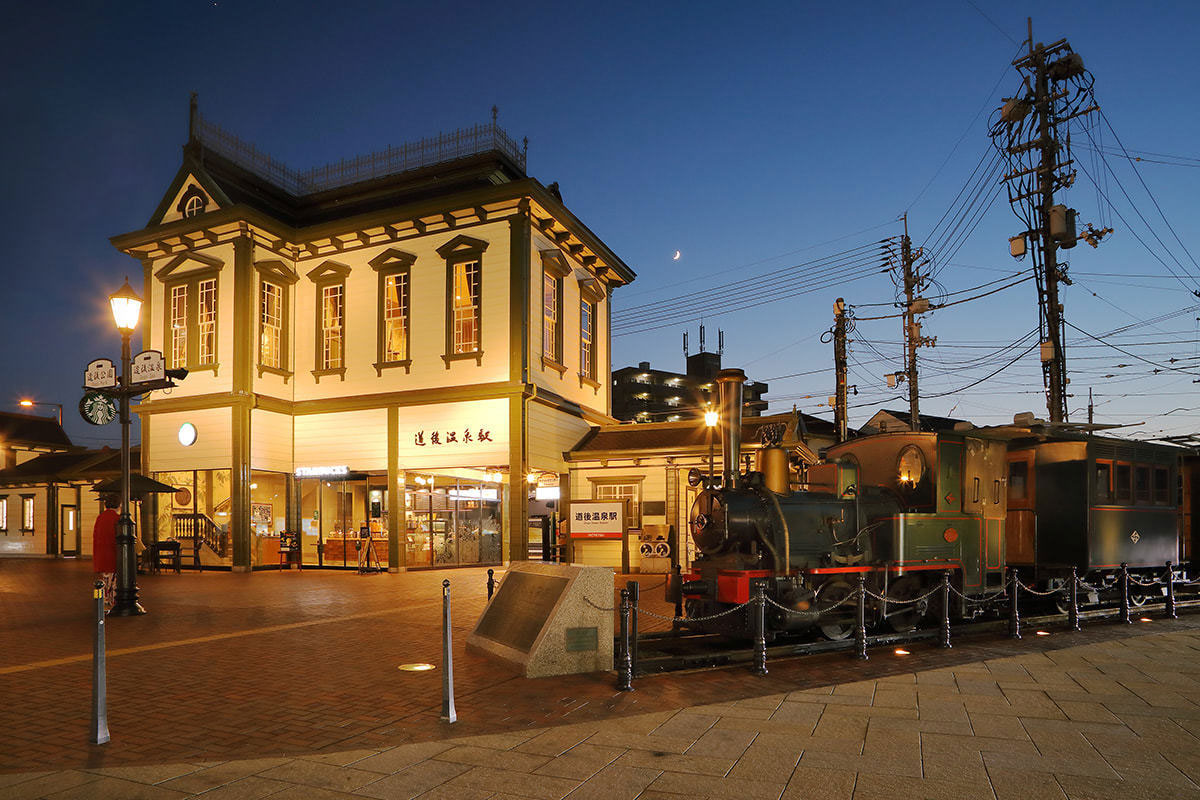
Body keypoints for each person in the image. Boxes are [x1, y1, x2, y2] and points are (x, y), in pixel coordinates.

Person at [93, 494, 120, 609]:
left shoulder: (100, 517)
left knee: (105, 578)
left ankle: (104, 601)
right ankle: (112, 602)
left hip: (101, 554)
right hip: (113, 554)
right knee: (113, 581)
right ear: (119, 505)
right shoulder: (117, 518)